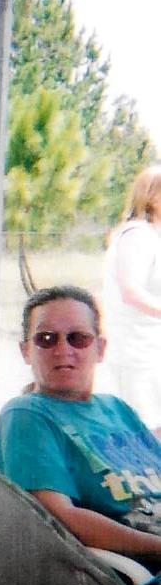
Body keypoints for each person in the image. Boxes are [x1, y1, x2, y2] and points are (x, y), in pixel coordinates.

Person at [0, 285, 161, 564]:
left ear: (100, 349)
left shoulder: (117, 408)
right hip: (133, 564)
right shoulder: (26, 415)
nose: (63, 350)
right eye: (46, 339)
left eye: (78, 338)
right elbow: (60, 518)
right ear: (26, 351)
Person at [103, 166, 161, 434]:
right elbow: (131, 291)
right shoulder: (137, 236)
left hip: (151, 353)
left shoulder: (153, 238)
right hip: (136, 356)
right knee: (144, 432)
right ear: (153, 197)